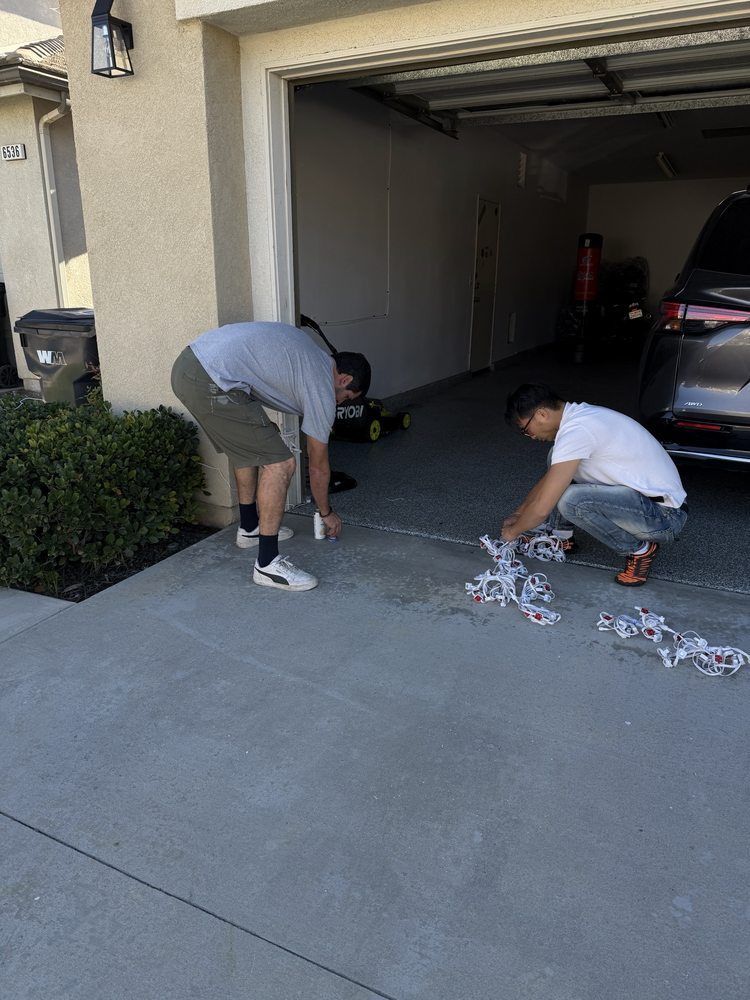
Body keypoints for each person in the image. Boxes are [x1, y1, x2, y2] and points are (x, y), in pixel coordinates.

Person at [171, 321, 370, 592]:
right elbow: (319, 467)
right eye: (347, 397)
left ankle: (250, 528)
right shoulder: (323, 384)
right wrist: (327, 513)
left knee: (260, 442)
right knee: (280, 462)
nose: (342, 403)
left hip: (193, 365)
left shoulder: (312, 357)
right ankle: (267, 564)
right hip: (208, 377)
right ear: (344, 380)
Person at [502, 383, 688, 586]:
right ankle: (562, 538)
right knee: (555, 459)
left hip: (665, 517)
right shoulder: (580, 417)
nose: (531, 437)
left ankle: (640, 551)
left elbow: (542, 509)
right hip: (644, 503)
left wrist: (513, 533)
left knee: (572, 501)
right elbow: (550, 480)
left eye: (526, 430)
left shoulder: (578, 430)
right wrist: (520, 513)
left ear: (541, 415)